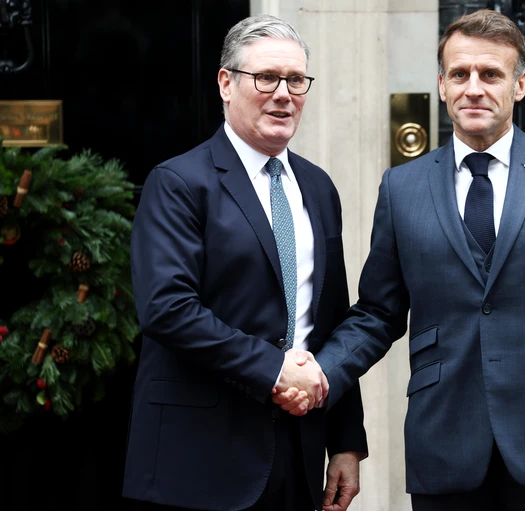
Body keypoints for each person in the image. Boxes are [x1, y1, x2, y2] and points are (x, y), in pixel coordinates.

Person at [275, 8, 525, 511]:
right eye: (460, 74)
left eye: (490, 74)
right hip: (443, 444)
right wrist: (318, 373)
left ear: (519, 85)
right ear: (442, 85)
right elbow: (378, 313)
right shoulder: (402, 188)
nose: (474, 88)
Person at [123, 13, 367, 511]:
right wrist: (275, 370)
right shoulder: (177, 183)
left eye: (295, 80)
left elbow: (331, 319)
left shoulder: (318, 187)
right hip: (201, 457)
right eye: (266, 78)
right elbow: (167, 309)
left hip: (298, 451)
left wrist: (345, 441)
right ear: (226, 83)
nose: (283, 94)